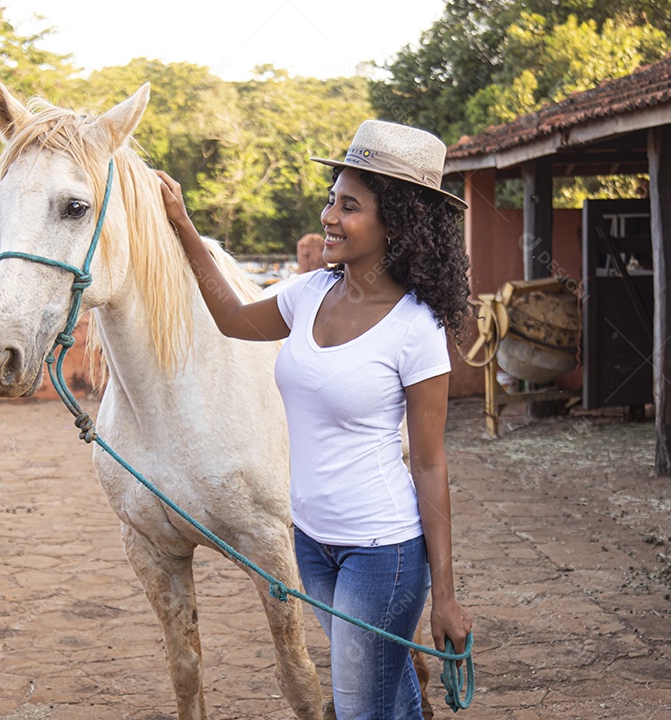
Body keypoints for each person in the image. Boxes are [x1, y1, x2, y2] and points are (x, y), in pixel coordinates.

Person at [157, 119, 473, 719]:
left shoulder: (416, 330)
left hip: (383, 551)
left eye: (349, 206)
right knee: (388, 691)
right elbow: (230, 318)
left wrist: (447, 597)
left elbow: (430, 464)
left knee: (356, 706)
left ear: (396, 224)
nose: (329, 216)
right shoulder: (308, 294)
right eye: (332, 199)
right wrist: (182, 224)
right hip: (312, 544)